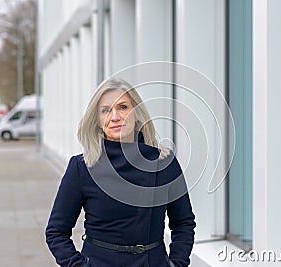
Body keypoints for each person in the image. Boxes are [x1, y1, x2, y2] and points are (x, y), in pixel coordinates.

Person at [45, 78, 196, 267]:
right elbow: (56, 232)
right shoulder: (82, 167)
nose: (115, 116)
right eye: (106, 110)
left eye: (123, 107)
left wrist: (177, 263)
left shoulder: (164, 162)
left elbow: (183, 223)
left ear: (137, 113)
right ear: (98, 120)